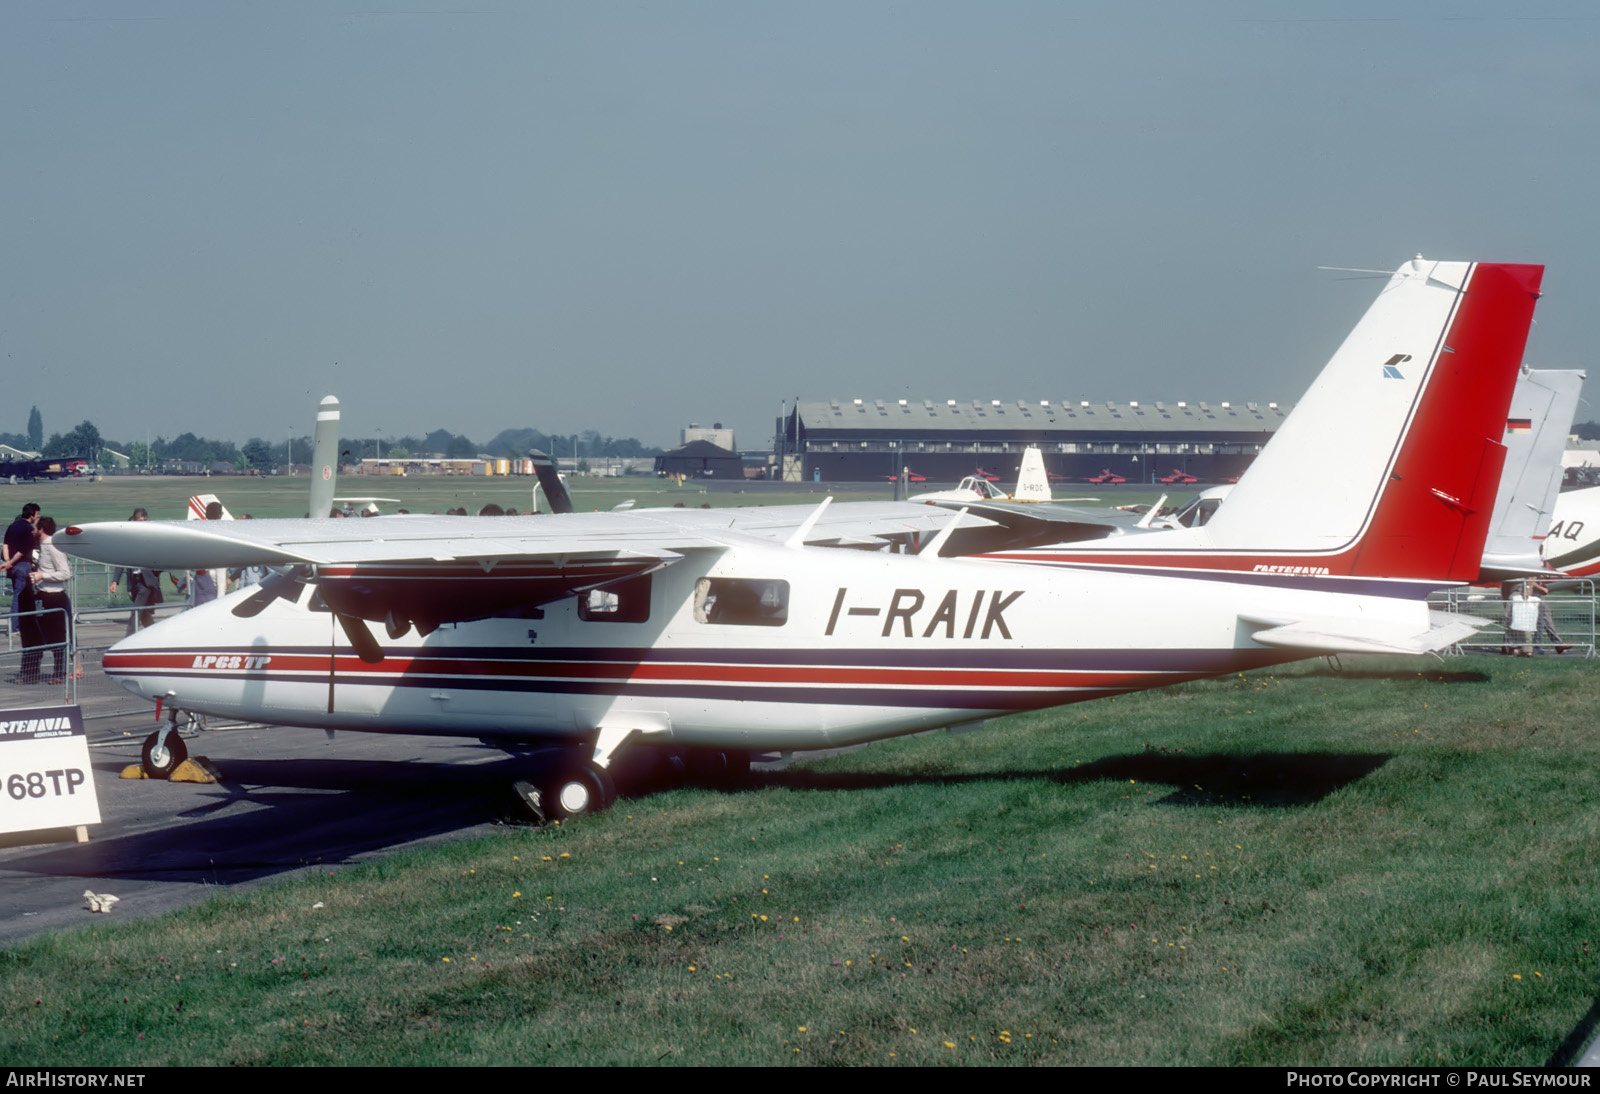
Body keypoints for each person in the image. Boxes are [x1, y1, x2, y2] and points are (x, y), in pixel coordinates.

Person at [30, 516, 71, 683]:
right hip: (42, 595)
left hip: (54, 596)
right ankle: (36, 671)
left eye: (34, 527)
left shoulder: (54, 547)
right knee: (42, 634)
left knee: (57, 637)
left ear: (41, 529)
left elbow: (65, 573)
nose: (32, 530)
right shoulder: (43, 547)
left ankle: (59, 673)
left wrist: (42, 575)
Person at [109, 508, 163, 634]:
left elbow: (160, 557)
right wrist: (115, 581)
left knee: (135, 611)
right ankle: (155, 634)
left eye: (144, 521)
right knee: (143, 614)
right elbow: (121, 561)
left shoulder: (152, 538)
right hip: (134, 582)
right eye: (139, 522)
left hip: (146, 582)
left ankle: (129, 638)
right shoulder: (128, 540)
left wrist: (156, 572)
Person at [2, 502, 40, 641]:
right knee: (20, 596)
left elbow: (5, 544)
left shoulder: (12, 526)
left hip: (12, 567)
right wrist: (11, 562)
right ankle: (14, 628)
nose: (38, 516)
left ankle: (23, 625)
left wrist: (7, 562)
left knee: (21, 595)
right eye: (37, 514)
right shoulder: (28, 529)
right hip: (22, 566)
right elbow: (23, 551)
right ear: (32, 515)